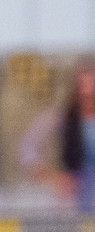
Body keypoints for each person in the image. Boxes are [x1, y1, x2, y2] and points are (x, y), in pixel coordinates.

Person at [19, 57, 95, 214]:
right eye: (82, 85)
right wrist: (50, 176)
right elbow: (27, 145)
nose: (87, 93)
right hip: (74, 191)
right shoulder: (61, 116)